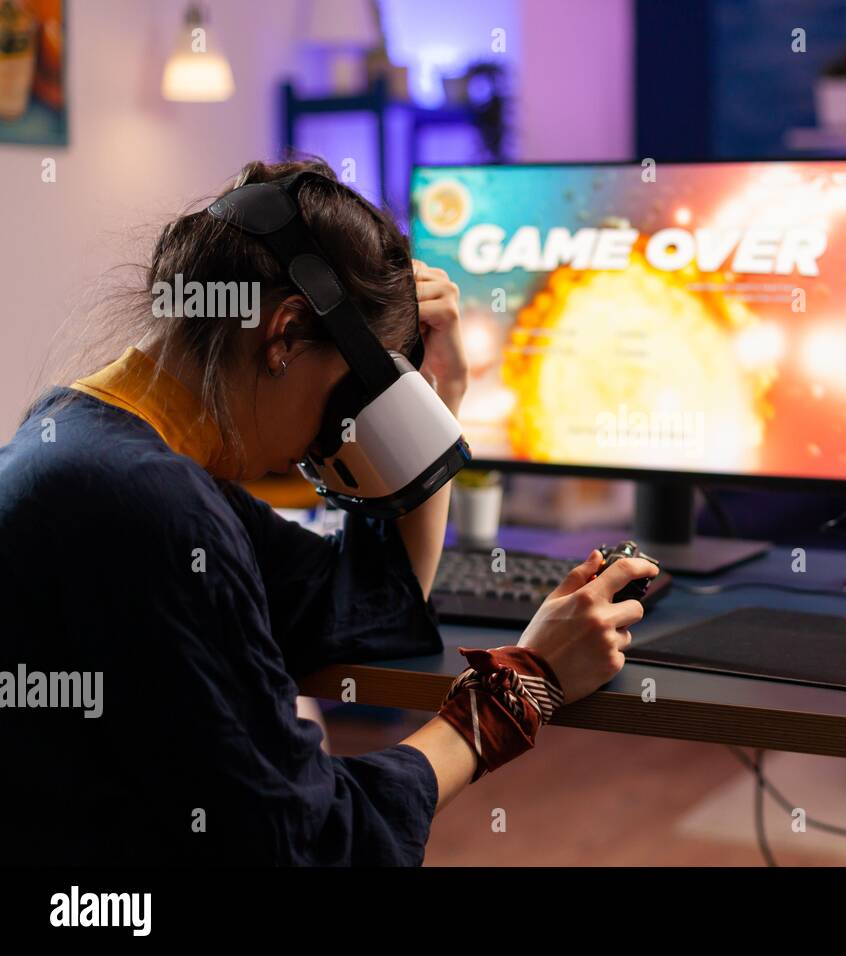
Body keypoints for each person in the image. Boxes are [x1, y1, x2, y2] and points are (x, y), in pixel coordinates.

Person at [0, 158, 657, 865]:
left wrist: (436, 396)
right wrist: (520, 687)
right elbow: (312, 844)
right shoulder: (152, 506)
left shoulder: (83, 439)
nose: (332, 443)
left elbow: (369, 605)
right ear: (282, 337)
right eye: (352, 403)